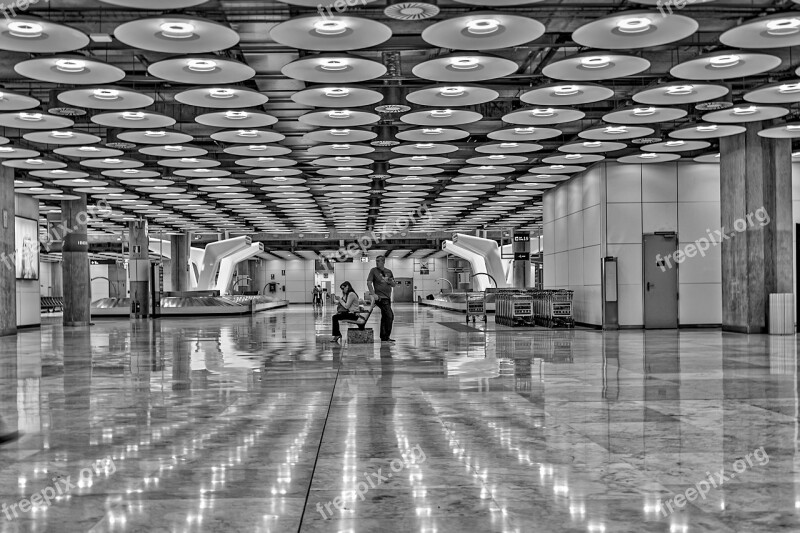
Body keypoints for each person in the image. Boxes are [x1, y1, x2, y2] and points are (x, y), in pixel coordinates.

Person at [367, 256, 398, 343]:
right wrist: (373, 294)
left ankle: (384, 337)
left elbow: (394, 284)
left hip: (387, 297)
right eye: (376, 261)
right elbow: (369, 283)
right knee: (390, 315)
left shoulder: (389, 272)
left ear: (383, 262)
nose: (377, 263)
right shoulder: (373, 271)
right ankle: (386, 336)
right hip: (380, 297)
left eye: (378, 261)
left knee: (385, 317)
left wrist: (389, 281)